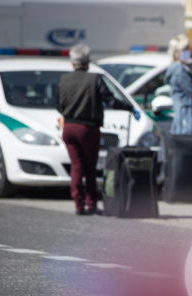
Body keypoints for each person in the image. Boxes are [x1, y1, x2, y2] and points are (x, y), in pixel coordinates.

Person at [57, 44, 139, 215]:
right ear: (87, 62)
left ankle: (78, 205)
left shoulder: (64, 80)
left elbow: (59, 105)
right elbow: (111, 101)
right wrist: (129, 107)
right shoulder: (95, 79)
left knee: (76, 166)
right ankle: (91, 204)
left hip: (69, 128)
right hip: (88, 128)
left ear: (72, 63)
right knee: (89, 167)